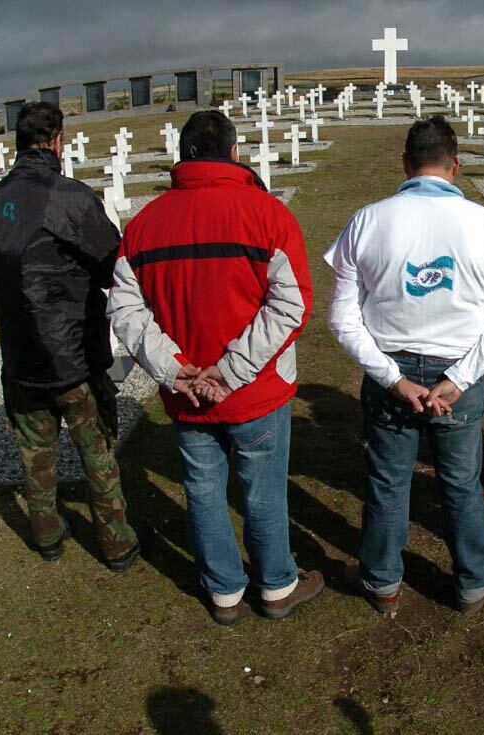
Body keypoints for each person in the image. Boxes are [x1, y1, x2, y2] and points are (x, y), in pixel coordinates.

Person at [106, 111, 321, 625]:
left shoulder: (144, 224)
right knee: (262, 489)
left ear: (183, 156)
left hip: (187, 395)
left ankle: (223, 591)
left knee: (203, 489)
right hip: (257, 391)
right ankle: (276, 585)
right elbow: (290, 305)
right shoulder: (267, 215)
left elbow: (124, 308)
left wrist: (176, 369)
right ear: (233, 153)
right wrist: (230, 372)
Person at [325, 116, 484, 615]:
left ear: (405, 164)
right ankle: (474, 580)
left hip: (391, 371)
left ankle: (382, 581)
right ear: (455, 166)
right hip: (460, 371)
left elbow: (342, 318)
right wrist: (459, 379)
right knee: (460, 482)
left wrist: (392, 378)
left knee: (388, 481)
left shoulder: (369, 219)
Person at [0, 101, 150, 571]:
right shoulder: (68, 197)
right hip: (73, 353)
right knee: (96, 449)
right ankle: (116, 541)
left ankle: (46, 532)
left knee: (35, 451)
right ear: (57, 140)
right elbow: (112, 261)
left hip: (20, 355)